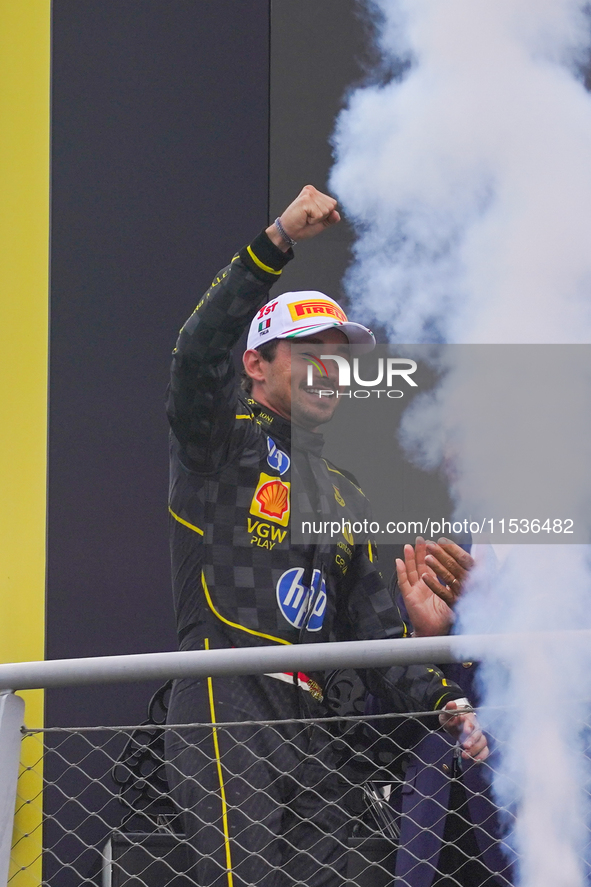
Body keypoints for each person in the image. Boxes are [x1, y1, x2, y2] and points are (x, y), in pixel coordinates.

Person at [163, 185, 488, 887]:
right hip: (228, 692)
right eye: (308, 351)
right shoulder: (219, 443)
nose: (329, 369)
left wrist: (441, 688)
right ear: (256, 364)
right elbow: (195, 356)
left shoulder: (346, 490)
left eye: (338, 356)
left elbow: (378, 640)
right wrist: (276, 238)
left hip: (315, 723)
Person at [370, 537, 513, 887]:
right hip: (431, 838)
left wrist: (492, 624)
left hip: (528, 828)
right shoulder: (432, 565)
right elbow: (377, 731)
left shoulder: (571, 568)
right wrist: (425, 642)